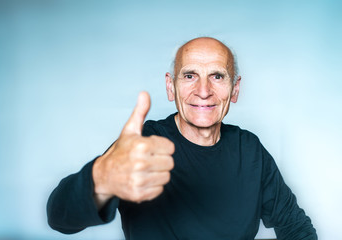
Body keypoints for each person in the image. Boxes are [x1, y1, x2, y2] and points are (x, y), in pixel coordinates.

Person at [47, 37, 317, 239]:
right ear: (170, 86)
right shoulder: (143, 144)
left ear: (234, 89)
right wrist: (101, 177)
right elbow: (59, 217)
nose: (203, 90)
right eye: (190, 75)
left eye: (217, 76)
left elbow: (295, 227)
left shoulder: (250, 150)